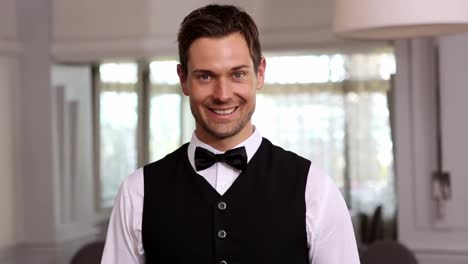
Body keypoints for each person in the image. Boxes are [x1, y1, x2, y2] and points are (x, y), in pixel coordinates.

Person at [101, 4, 360, 264]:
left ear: (259, 74)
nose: (223, 95)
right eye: (205, 76)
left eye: (237, 74)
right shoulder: (138, 191)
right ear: (183, 79)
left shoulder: (315, 189)